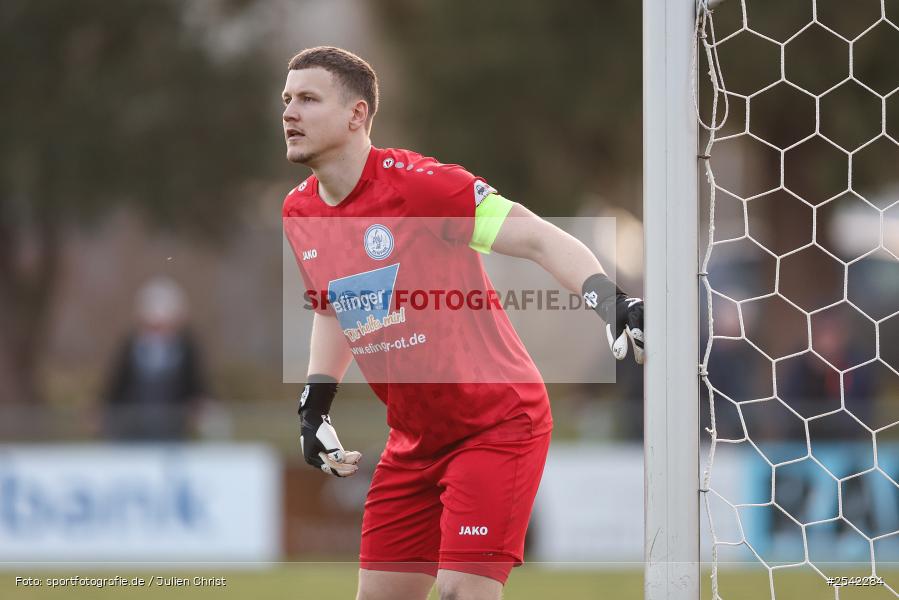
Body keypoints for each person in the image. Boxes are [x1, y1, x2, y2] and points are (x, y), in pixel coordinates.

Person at [281, 46, 644, 600]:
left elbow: (536, 237)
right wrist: (316, 403)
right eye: (287, 99)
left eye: (308, 99)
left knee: (460, 592)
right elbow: (335, 307)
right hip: (412, 442)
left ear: (357, 114)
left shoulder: (422, 185)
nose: (289, 112)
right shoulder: (299, 211)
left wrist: (610, 302)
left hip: (496, 424)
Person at [102, 277, 208, 440]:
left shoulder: (186, 348)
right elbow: (117, 383)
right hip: (132, 427)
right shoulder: (130, 346)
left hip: (173, 429)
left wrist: (199, 405)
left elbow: (196, 383)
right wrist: (104, 407)